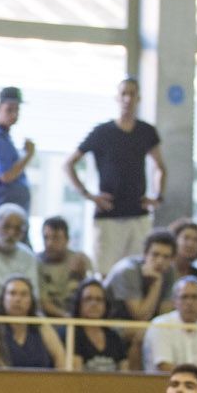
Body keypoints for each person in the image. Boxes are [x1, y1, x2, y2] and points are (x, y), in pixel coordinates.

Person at [65, 77, 165, 276]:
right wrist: (89, 195)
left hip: (138, 213)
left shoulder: (146, 132)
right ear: (117, 98)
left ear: (139, 98)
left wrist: (157, 197)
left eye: (132, 94)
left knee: (138, 272)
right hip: (108, 214)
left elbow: (160, 167)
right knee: (105, 273)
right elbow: (69, 164)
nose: (128, 99)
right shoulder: (102, 132)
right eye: (124, 94)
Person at [143, 277, 197, 375]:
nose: (189, 302)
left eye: (195, 297)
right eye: (184, 297)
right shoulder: (161, 325)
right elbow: (164, 367)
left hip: (196, 387)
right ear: (174, 301)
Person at [0, 274, 66, 369]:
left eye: (24, 294)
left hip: (43, 382)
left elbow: (60, 357)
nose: (18, 299)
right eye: (12, 293)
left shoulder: (41, 324)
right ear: (3, 298)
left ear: (31, 300)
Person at [104, 230, 176, 322]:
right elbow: (140, 317)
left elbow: (165, 316)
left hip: (143, 323)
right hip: (112, 321)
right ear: (145, 254)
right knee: (143, 331)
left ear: (172, 259)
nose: (160, 261)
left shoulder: (170, 271)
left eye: (166, 257)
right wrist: (156, 285)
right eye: (155, 254)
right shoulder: (128, 271)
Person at [0, 85, 33, 214]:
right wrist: (28, 155)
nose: (14, 114)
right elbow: (6, 176)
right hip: (4, 206)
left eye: (17, 110)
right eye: (9, 109)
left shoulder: (5, 137)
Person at [68, 279, 135, 372]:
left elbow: (125, 372)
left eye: (99, 300)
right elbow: (76, 376)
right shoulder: (71, 334)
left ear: (105, 305)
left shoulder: (114, 337)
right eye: (88, 299)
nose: (93, 304)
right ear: (79, 304)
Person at [37, 216, 93, 318]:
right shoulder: (36, 262)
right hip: (47, 320)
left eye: (55, 238)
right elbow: (42, 301)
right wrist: (67, 318)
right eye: (46, 238)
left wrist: (83, 274)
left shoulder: (80, 260)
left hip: (78, 318)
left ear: (67, 239)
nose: (49, 243)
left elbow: (93, 292)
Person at [167, 218, 197, 284]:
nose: (190, 244)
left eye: (196, 240)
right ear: (174, 240)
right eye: (186, 238)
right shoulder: (164, 270)